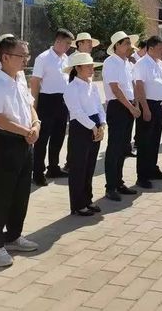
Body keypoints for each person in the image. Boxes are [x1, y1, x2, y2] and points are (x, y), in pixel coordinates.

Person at [0, 36, 40, 267]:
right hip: (5, 143)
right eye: (22, 55)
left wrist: (35, 124)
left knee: (21, 193)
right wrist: (26, 130)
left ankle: (13, 235)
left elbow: (29, 106)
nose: (26, 59)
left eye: (27, 55)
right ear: (5, 57)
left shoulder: (20, 79)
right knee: (1, 196)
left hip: (25, 142)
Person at [63, 52, 105, 216]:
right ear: (78, 68)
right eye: (88, 66)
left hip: (94, 125)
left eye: (91, 66)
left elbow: (99, 107)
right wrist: (93, 127)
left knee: (89, 166)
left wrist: (102, 124)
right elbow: (77, 112)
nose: (91, 69)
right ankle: (78, 204)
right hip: (81, 128)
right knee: (79, 167)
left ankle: (87, 199)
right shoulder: (71, 88)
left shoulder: (92, 85)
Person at [30, 29, 73, 185]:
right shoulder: (43, 58)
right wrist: (33, 106)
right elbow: (35, 82)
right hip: (46, 101)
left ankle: (53, 167)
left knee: (58, 136)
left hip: (62, 101)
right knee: (42, 139)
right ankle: (37, 172)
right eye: (67, 43)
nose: (69, 46)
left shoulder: (66, 58)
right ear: (58, 41)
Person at [103, 31, 140, 201]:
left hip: (129, 105)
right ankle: (110, 186)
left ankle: (119, 182)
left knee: (124, 147)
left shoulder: (127, 63)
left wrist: (136, 104)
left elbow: (132, 85)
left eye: (129, 43)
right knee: (114, 148)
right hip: (118, 107)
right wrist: (130, 107)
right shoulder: (111, 62)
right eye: (125, 43)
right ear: (116, 45)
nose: (129, 46)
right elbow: (115, 89)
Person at [134, 36, 162, 188]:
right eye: (159, 48)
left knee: (155, 140)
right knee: (145, 142)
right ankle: (142, 176)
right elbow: (139, 86)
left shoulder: (160, 63)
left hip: (159, 105)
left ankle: (152, 169)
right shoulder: (142, 64)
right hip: (147, 105)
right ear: (150, 48)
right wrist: (145, 108)